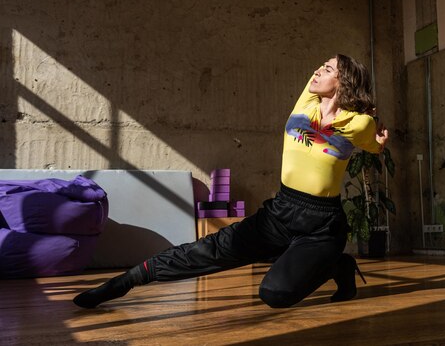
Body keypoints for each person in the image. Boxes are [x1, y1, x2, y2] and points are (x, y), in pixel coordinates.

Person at [73, 54, 388, 309]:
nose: (317, 70)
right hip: (281, 210)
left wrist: (379, 141)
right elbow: (318, 81)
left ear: (343, 81)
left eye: (328, 68)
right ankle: (123, 282)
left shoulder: (357, 123)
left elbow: (373, 142)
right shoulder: (305, 103)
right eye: (321, 65)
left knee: (275, 295)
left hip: (321, 224)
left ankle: (338, 266)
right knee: (209, 250)